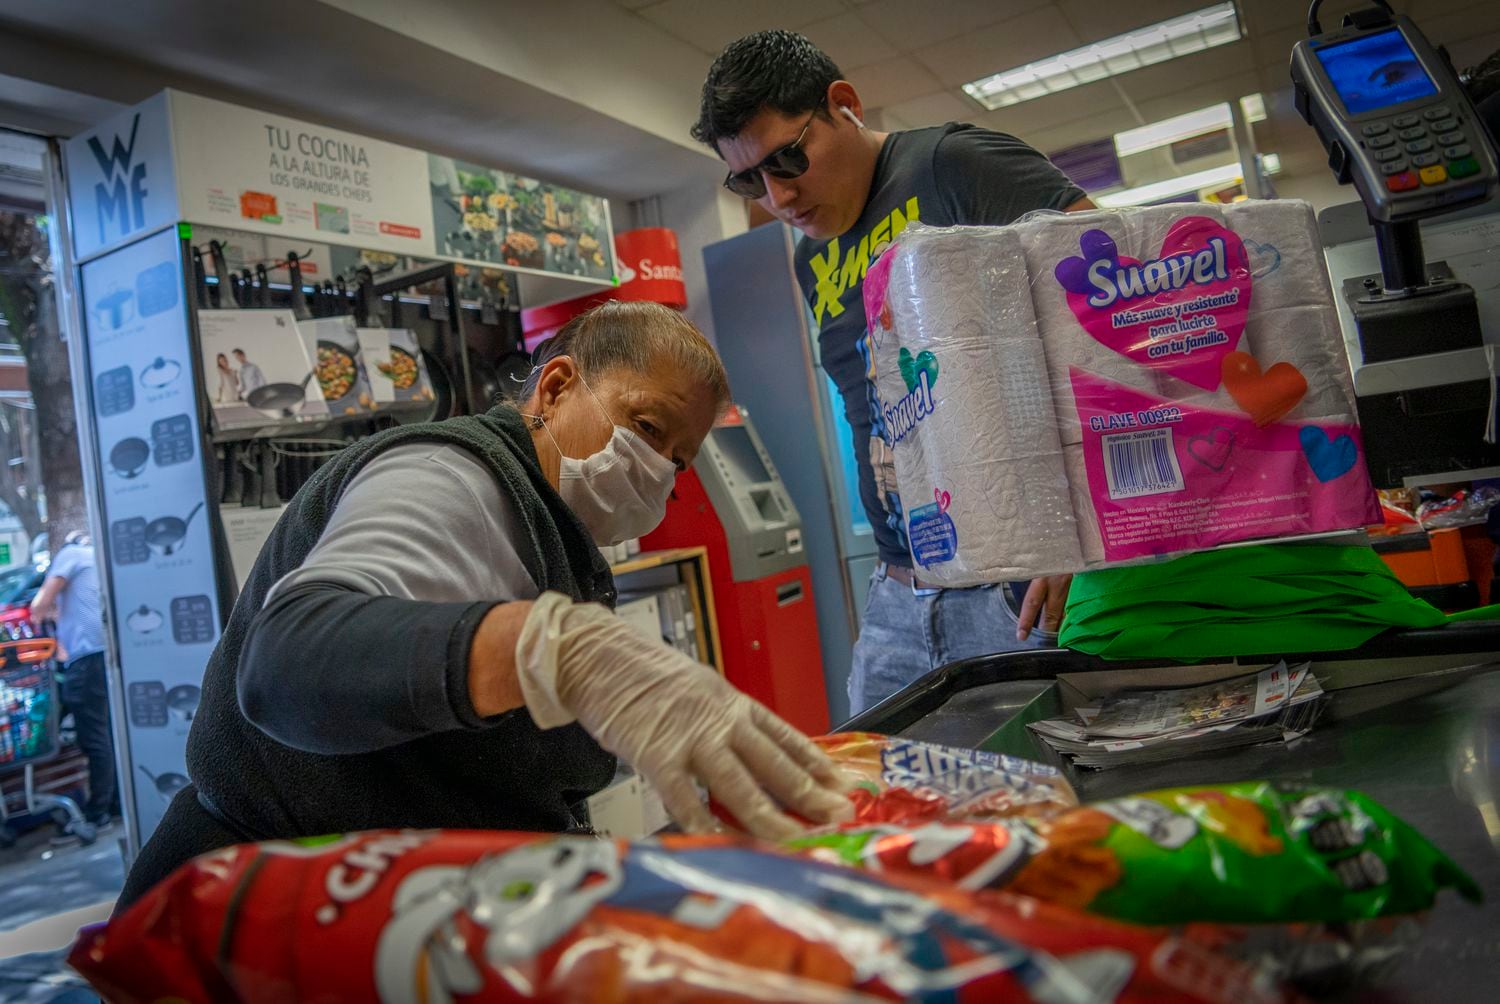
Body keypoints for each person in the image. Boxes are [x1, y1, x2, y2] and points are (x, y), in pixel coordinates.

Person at [117, 301, 851, 909]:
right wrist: (559, 651)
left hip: (393, 909)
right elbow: (284, 664)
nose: (657, 470)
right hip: (250, 913)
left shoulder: (551, 525)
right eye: (648, 427)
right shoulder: (449, 474)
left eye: (678, 462)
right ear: (558, 387)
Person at [693, 31, 1096, 714]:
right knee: (884, 807)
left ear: (843, 105)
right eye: (747, 179)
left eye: (789, 158)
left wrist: (1085, 529)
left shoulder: (953, 165)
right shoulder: (810, 259)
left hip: (1019, 583)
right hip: (899, 594)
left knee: (1047, 807)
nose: (778, 195)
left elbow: (1115, 314)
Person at [31, 532, 116, 829]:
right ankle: (114, 803)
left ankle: (97, 812)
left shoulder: (68, 557)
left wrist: (46, 627)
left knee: (93, 737)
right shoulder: (94, 558)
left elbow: (39, 605)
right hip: (103, 653)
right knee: (106, 732)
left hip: (85, 658)